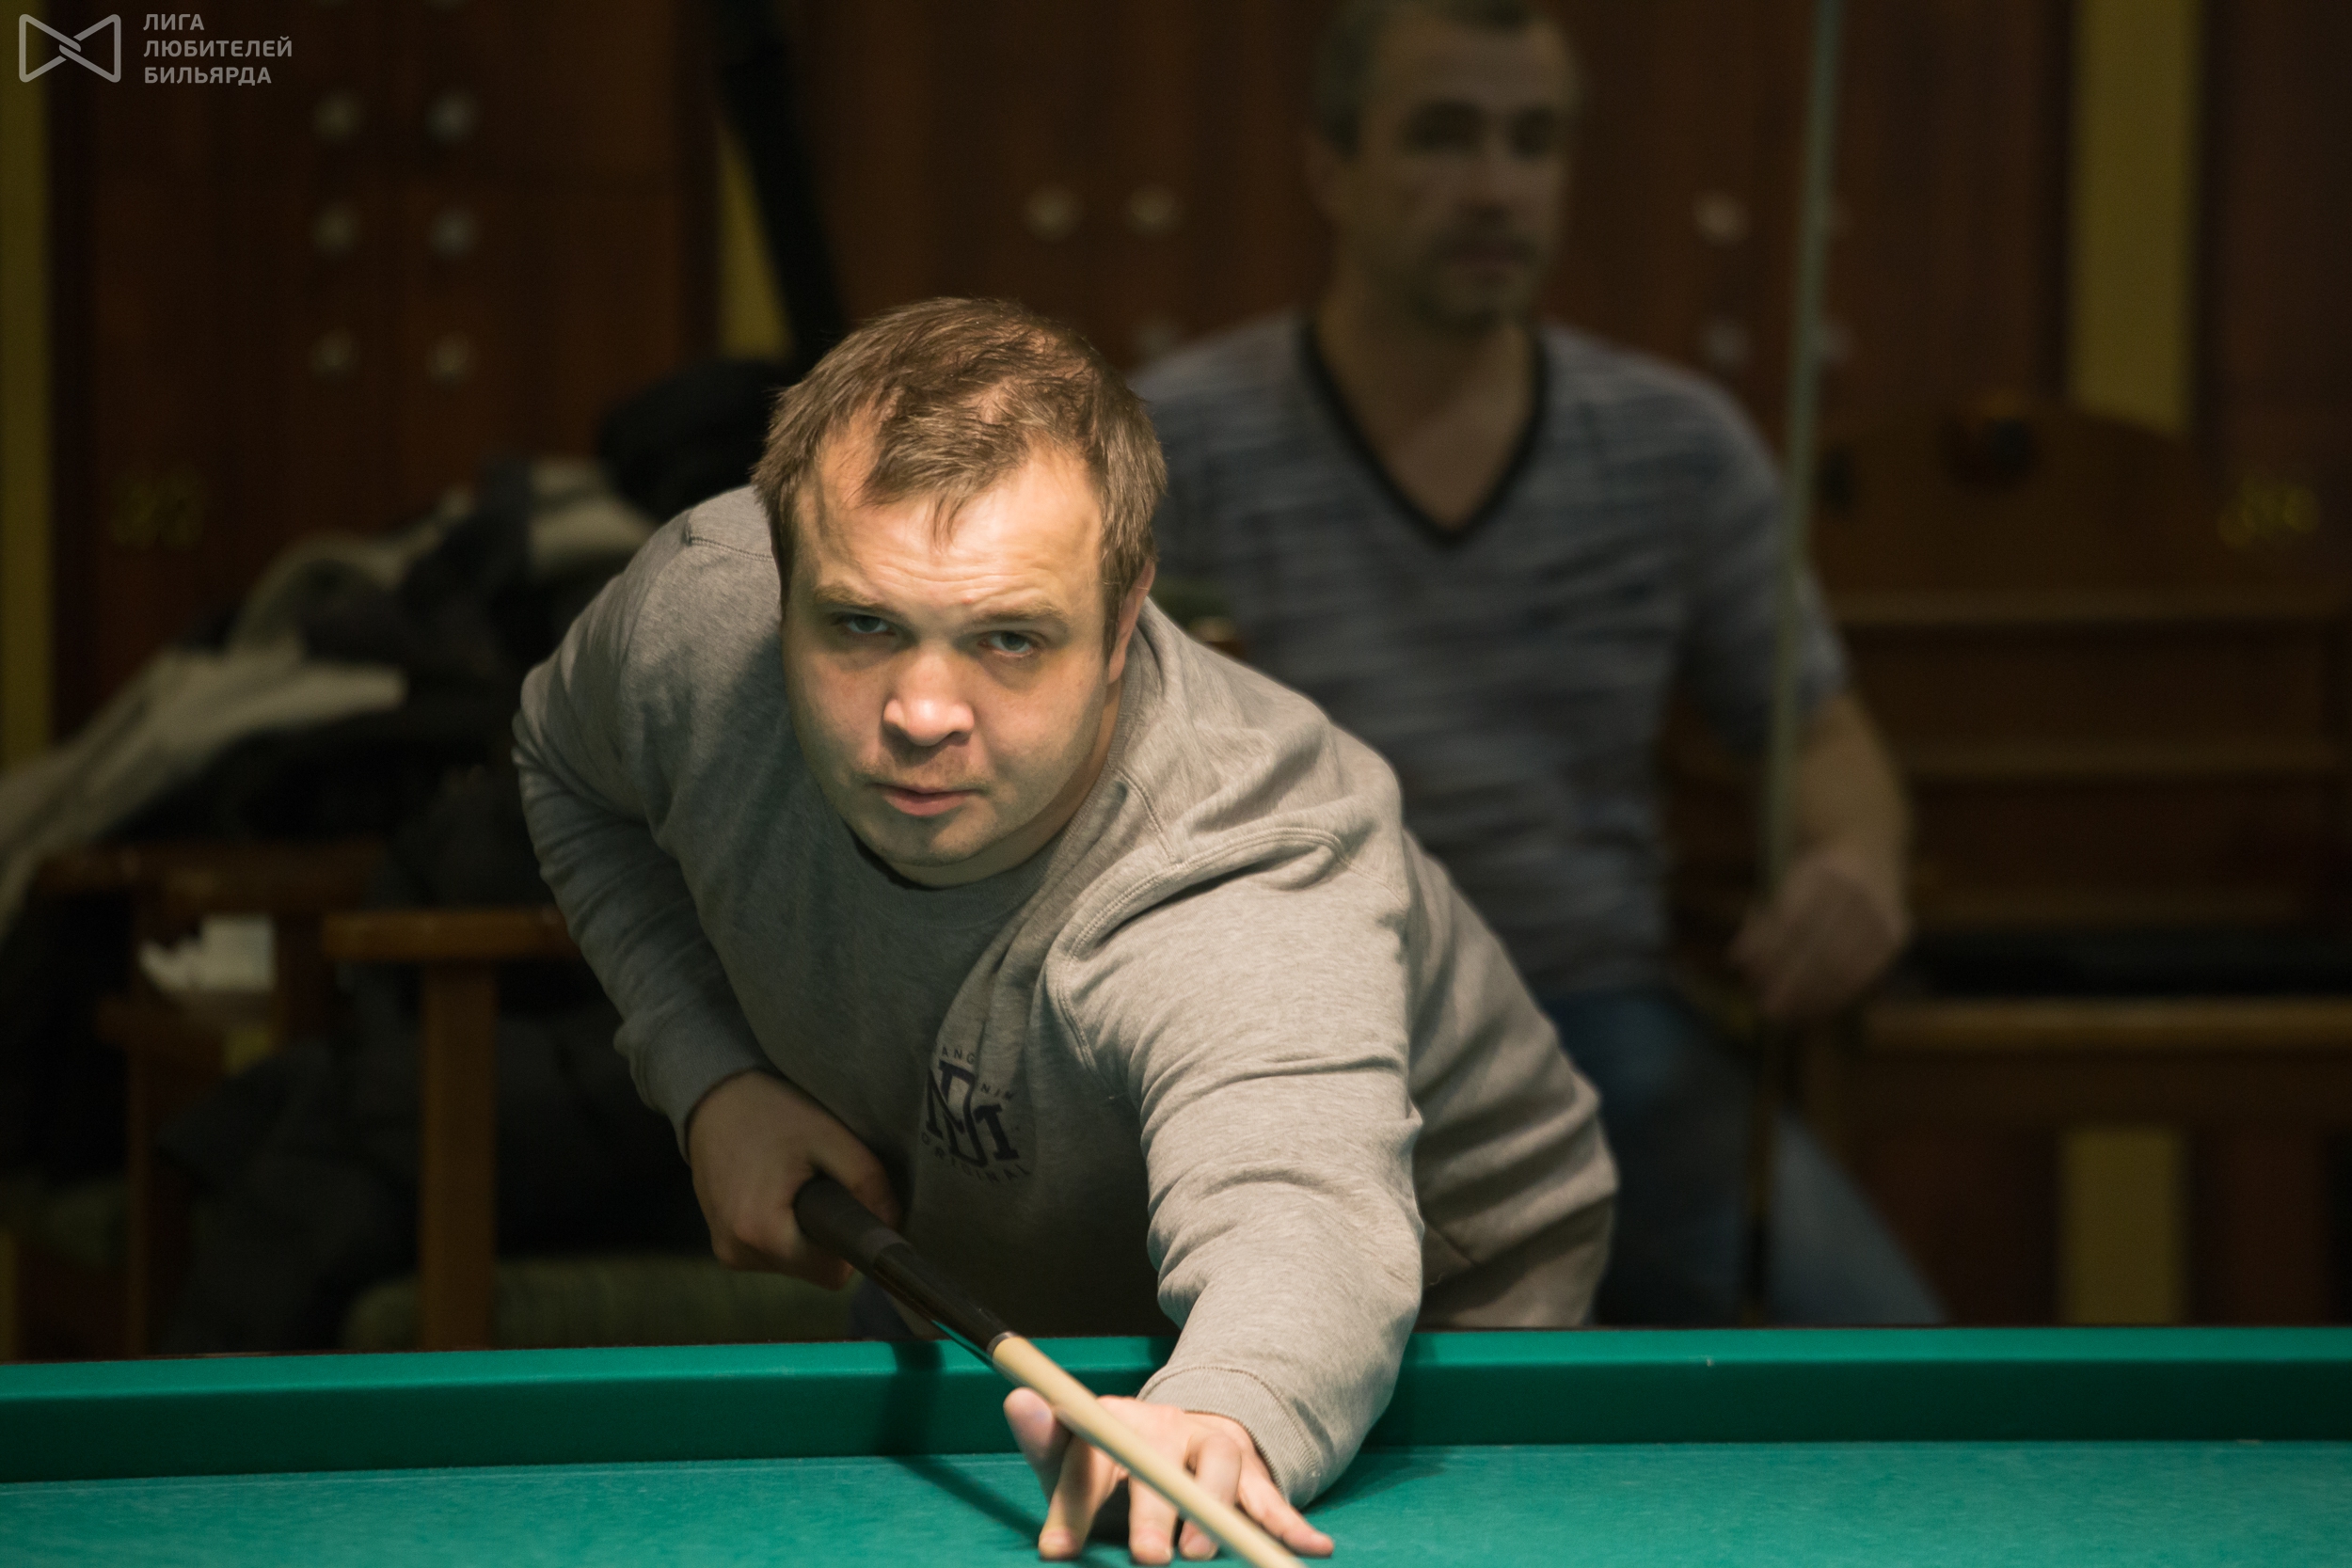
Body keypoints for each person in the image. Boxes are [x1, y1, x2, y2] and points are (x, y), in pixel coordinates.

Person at [513, 297, 1614, 1561]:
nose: (923, 711)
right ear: (782, 578)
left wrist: (1233, 1403)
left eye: (1010, 639)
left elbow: (1301, 1214)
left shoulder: (1241, 865)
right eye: (863, 625)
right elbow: (563, 770)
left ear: (1124, 614)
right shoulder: (695, 621)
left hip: (1428, 1297)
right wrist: (709, 1073)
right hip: (976, 1257)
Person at [1133, 0, 1941, 1326]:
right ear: (1331, 167)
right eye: (1442, 136)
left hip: (1594, 1030)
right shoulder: (1173, 444)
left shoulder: (1677, 448)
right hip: (1276, 1019)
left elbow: (1822, 736)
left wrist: (1856, 862)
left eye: (1533, 141)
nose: (1495, 187)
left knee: (1899, 1375)